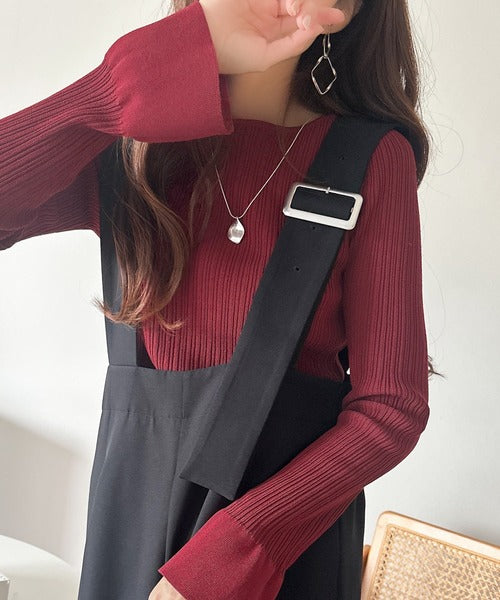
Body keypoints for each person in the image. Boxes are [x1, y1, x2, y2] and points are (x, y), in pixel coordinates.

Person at [0, 0, 438, 598]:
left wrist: (231, 556)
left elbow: (391, 408)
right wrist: (115, 90)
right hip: (128, 531)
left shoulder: (369, 158)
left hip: (278, 555)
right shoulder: (128, 143)